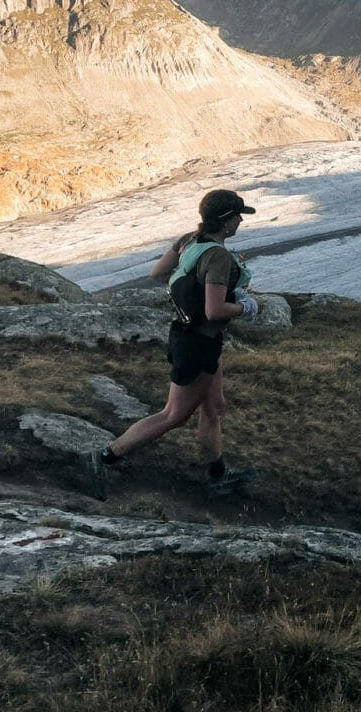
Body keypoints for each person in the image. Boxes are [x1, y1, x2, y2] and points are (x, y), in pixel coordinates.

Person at [82, 189, 260, 500]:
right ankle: (103, 457)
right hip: (197, 343)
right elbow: (215, 311)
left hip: (194, 337)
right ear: (225, 222)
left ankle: (218, 475)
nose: (241, 221)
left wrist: (190, 291)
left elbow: (158, 273)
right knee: (173, 415)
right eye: (237, 216)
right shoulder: (218, 257)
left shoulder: (188, 241)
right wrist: (247, 308)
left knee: (214, 405)